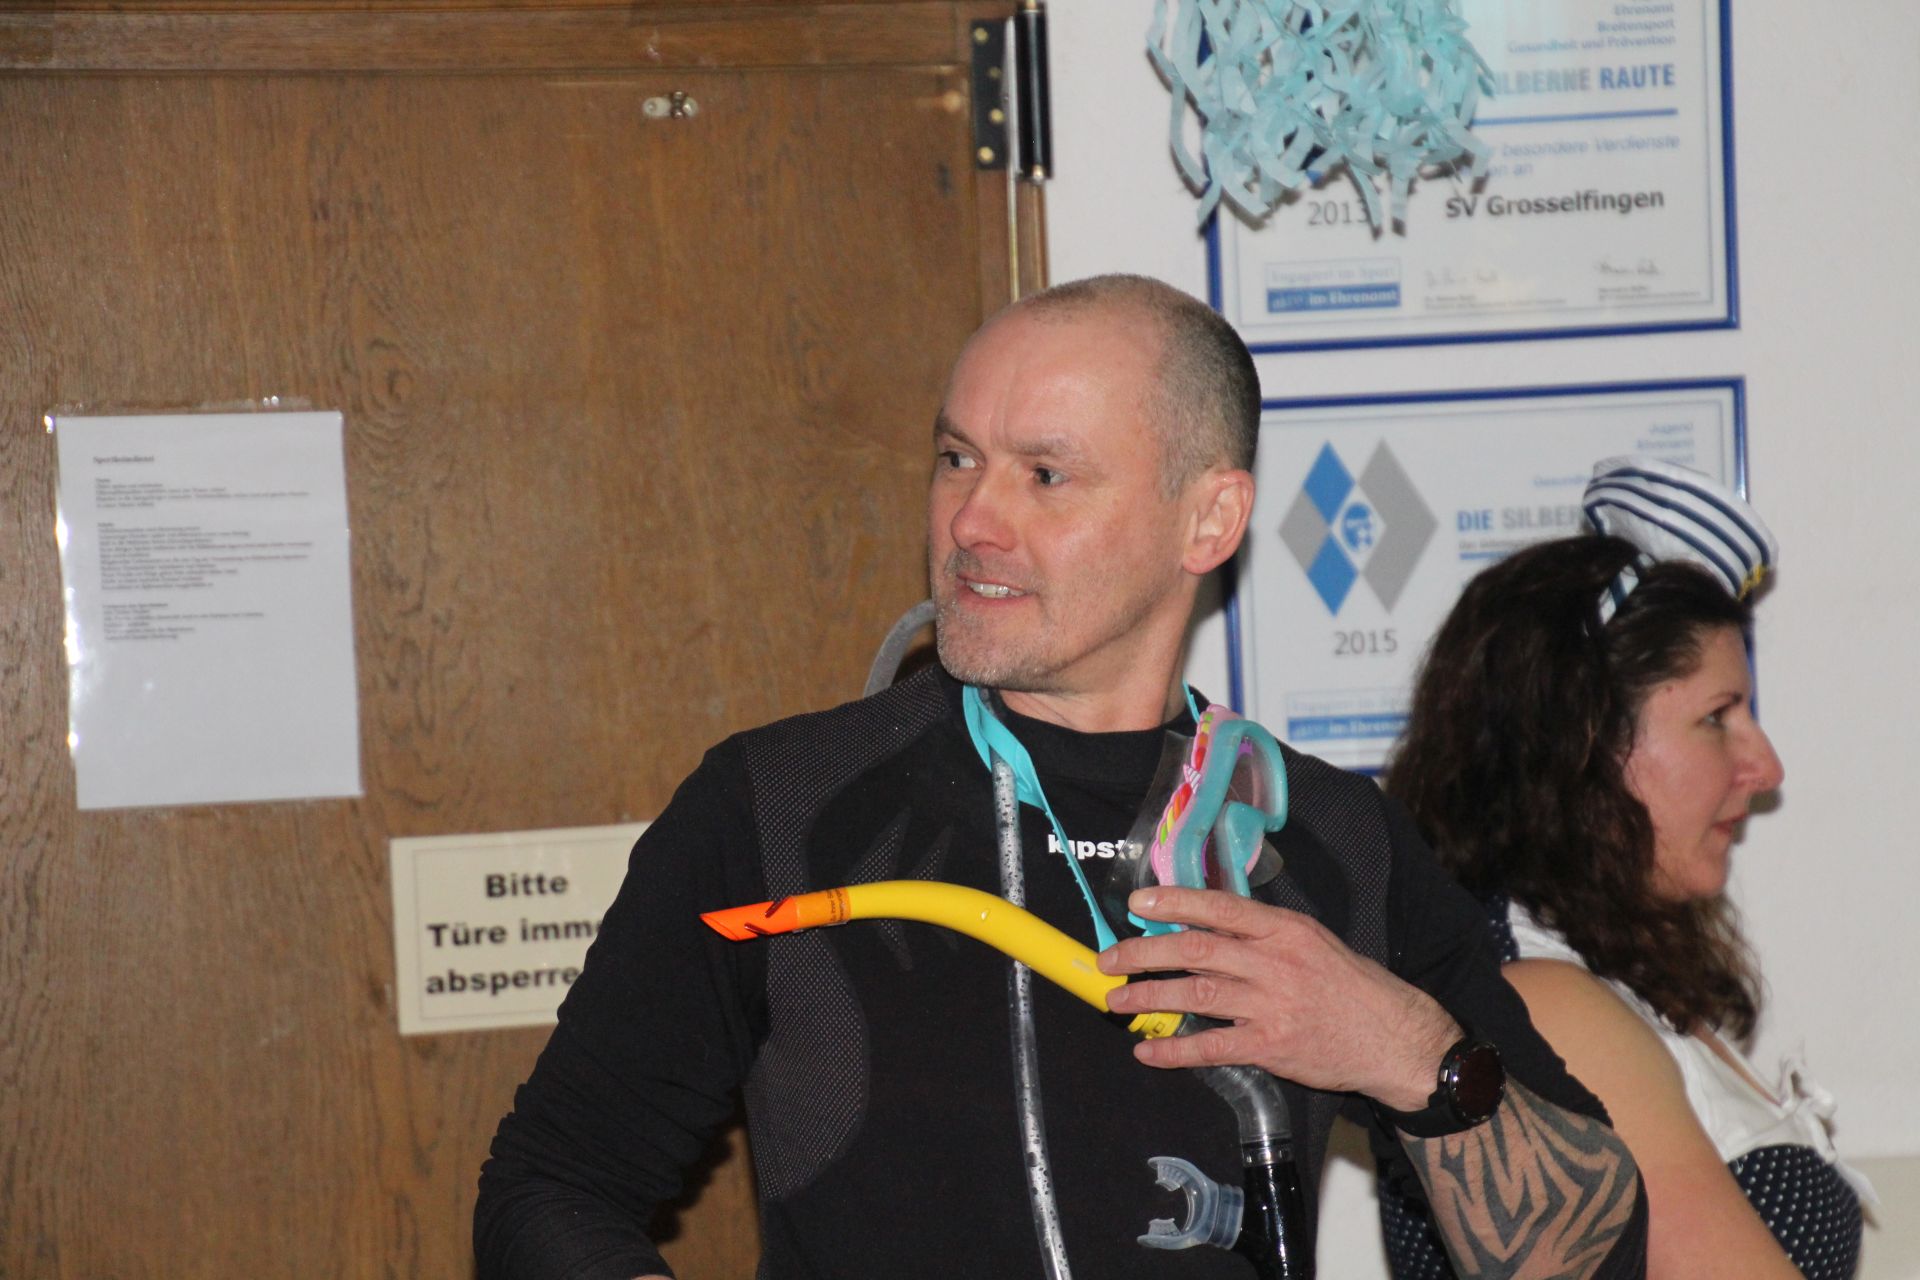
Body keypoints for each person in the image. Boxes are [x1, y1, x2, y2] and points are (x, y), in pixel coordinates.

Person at [473, 275, 1648, 1279]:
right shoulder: (777, 808)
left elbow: (1602, 1251)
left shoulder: (1333, 837)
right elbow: (552, 1184)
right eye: (956, 458)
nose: (972, 520)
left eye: (1045, 474)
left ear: (1209, 518)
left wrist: (1409, 1052)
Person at [1378, 458, 1872, 1280]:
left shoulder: (1594, 975)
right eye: (1717, 718)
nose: (1765, 767)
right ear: (1582, 744)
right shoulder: (1544, 1009)